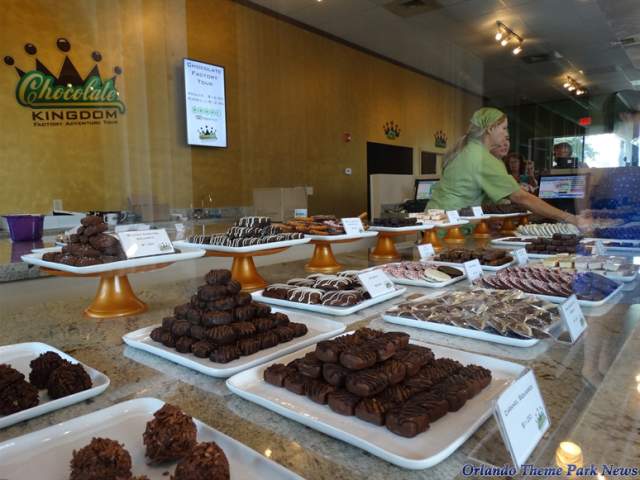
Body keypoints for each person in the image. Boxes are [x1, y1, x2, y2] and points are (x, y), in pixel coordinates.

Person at [427, 107, 589, 228]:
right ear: (490, 128)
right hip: (449, 226)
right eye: (504, 128)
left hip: (439, 220)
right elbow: (521, 197)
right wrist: (569, 218)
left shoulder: (470, 150)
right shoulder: (482, 157)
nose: (506, 134)